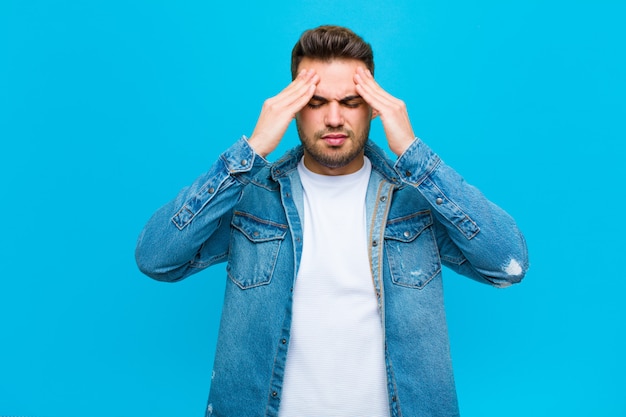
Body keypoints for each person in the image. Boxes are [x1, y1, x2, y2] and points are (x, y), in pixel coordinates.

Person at [135, 25, 529, 417]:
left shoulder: (413, 202)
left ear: (375, 107)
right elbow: (156, 257)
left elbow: (507, 262)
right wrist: (251, 150)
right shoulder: (253, 200)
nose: (334, 118)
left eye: (351, 101)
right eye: (316, 101)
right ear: (292, 108)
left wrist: (414, 155)